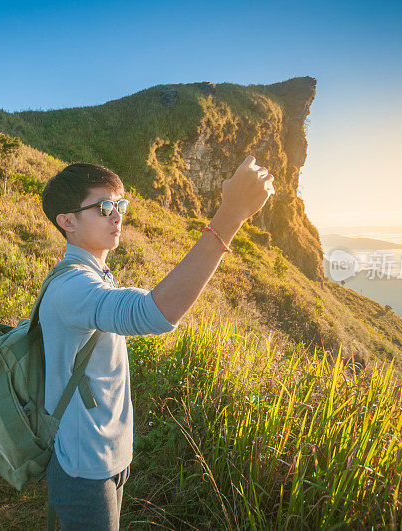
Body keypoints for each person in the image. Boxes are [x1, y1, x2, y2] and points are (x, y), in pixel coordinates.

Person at [39, 156, 274, 530]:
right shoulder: (73, 287)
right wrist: (231, 214)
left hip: (107, 454)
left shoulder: (94, 273)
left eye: (120, 205)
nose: (117, 215)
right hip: (84, 465)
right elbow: (156, 313)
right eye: (103, 207)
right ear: (67, 221)